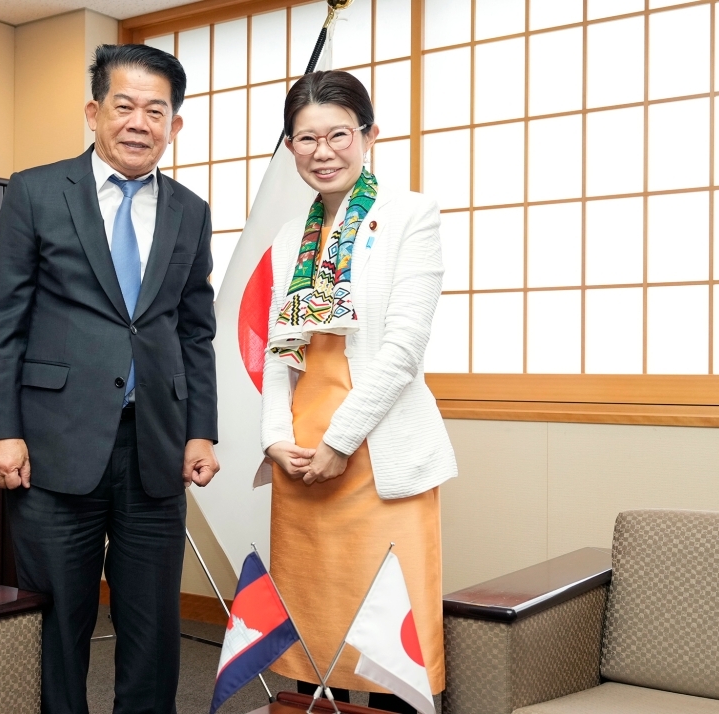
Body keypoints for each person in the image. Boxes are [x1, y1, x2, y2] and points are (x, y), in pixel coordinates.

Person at [0, 44, 219, 714]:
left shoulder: (190, 211)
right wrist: (0, 431)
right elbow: (2, 320)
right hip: (53, 446)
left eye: (156, 110)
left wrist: (201, 430)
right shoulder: (34, 190)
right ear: (94, 112)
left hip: (157, 447)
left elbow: (196, 331)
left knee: (153, 628)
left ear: (176, 124)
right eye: (125, 106)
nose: (139, 122)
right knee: (60, 621)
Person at [260, 70, 457, 712]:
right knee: (312, 628)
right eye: (305, 138)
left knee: (386, 629)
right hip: (301, 459)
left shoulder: (410, 215)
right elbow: (279, 351)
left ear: (369, 135)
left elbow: (403, 349)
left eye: (338, 134)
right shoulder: (290, 235)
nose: (323, 152)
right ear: (290, 146)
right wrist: (276, 439)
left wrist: (340, 442)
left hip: (377, 453)